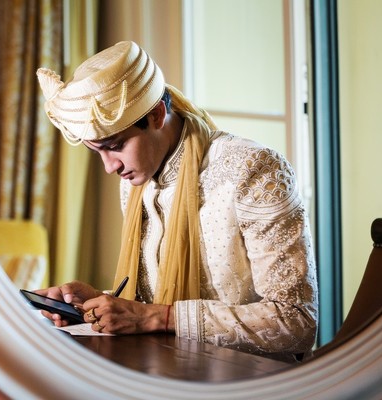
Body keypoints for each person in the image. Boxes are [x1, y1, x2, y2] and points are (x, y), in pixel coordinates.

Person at [35, 41, 318, 359]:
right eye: (96, 150)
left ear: (157, 115)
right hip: (168, 371)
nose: (110, 167)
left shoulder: (253, 170)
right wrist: (93, 305)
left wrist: (157, 317)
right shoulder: (136, 181)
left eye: (115, 146)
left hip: (251, 382)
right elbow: (153, 308)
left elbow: (296, 322)